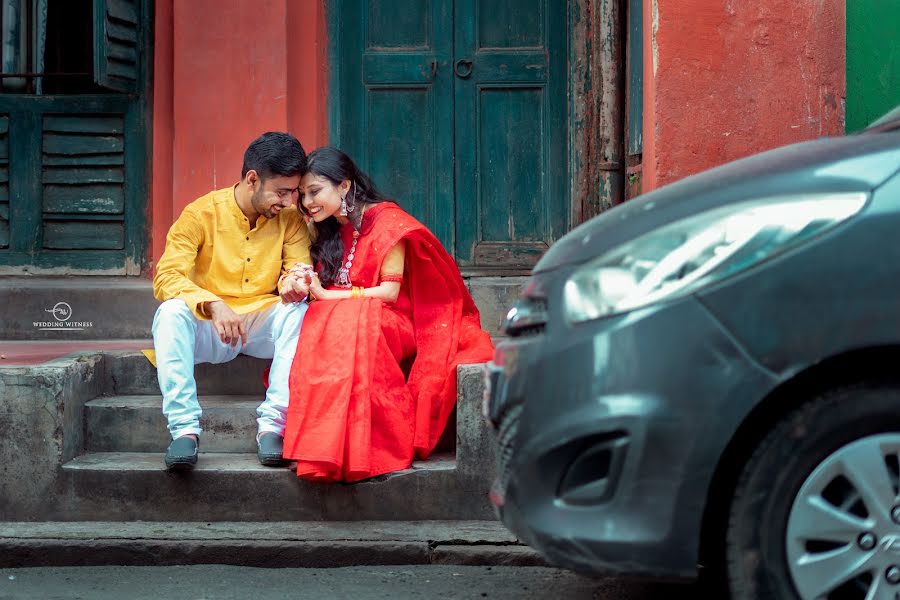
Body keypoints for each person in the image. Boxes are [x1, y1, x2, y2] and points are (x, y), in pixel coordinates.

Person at [280, 147, 494, 482]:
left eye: (315, 192)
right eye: (303, 195)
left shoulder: (388, 223)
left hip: (394, 316)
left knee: (344, 319)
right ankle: (322, 447)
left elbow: (390, 293)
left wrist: (331, 296)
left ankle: (368, 446)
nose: (307, 202)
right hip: (351, 313)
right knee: (322, 319)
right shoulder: (328, 227)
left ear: (344, 186)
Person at [151, 132, 312, 471]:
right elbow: (166, 277)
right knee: (169, 313)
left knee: (299, 312)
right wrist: (211, 303)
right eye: (281, 192)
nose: (288, 201)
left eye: (293, 192)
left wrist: (294, 283)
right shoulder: (200, 214)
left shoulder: (290, 219)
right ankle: (184, 431)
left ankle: (273, 426)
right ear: (253, 179)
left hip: (259, 325)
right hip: (211, 327)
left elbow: (297, 268)